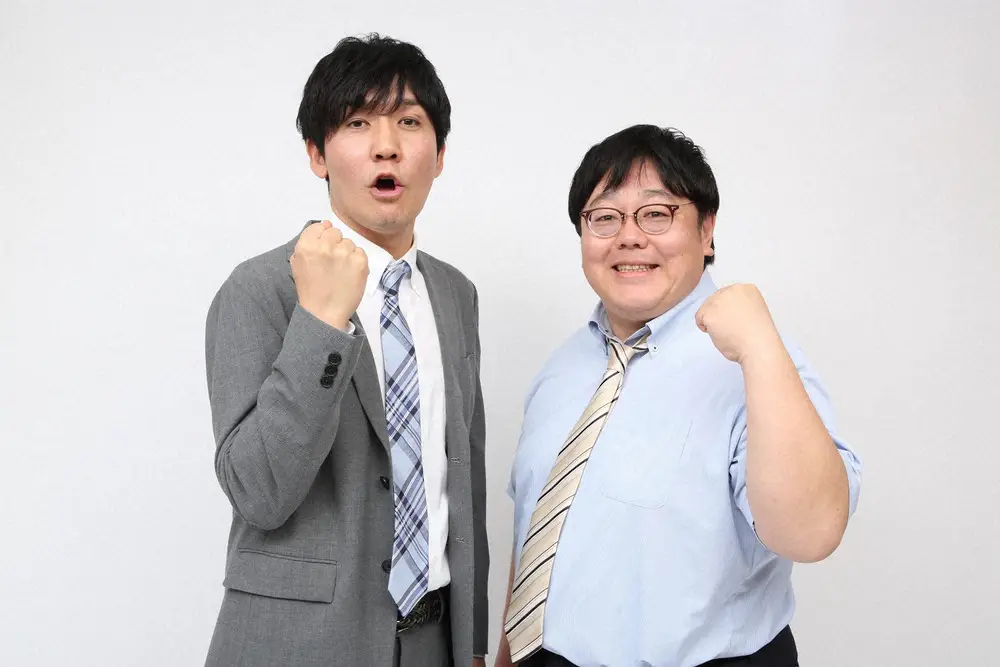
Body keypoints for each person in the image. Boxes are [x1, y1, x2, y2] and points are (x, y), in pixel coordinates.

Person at [496, 125, 862, 667]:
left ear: (706, 231)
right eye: (604, 217)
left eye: (656, 214)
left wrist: (760, 351)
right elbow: (536, 529)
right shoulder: (562, 368)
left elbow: (811, 534)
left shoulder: (758, 362)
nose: (629, 237)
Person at [204, 34, 488, 667]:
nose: (386, 145)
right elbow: (258, 492)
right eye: (358, 122)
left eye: (409, 122)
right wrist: (321, 323)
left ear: (439, 155)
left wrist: (470, 639)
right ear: (317, 153)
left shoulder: (455, 293)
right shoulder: (259, 288)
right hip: (298, 645)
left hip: (432, 641)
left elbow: (463, 475)